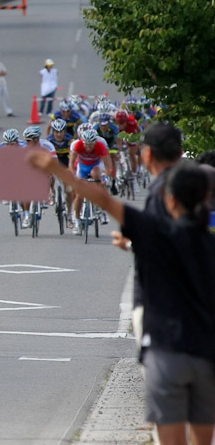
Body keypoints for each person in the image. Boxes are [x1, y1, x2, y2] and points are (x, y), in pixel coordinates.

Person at [28, 152, 215, 445]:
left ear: (171, 201)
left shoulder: (155, 233)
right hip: (206, 356)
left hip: (166, 354)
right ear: (206, 199)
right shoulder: (208, 244)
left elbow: (103, 199)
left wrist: (57, 169)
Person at [111, 121, 182, 348]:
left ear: (148, 153)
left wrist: (131, 243)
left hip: (164, 305)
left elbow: (166, 242)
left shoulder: (165, 190)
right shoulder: (192, 179)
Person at [69, 129, 111, 234]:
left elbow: (107, 165)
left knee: (98, 178)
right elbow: (71, 162)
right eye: (86, 145)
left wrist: (106, 177)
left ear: (95, 143)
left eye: (90, 145)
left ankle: (101, 209)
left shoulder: (100, 146)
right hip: (82, 167)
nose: (88, 147)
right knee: (79, 194)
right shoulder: (78, 145)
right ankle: (77, 221)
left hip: (95, 166)